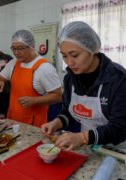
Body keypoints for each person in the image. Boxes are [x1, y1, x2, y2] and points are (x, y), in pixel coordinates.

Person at [41, 21, 126, 150]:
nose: (69, 62)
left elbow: (121, 127)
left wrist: (83, 137)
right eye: (64, 56)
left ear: (91, 49)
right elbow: (69, 112)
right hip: (88, 148)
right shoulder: (70, 78)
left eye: (75, 55)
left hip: (117, 150)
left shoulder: (117, 78)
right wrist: (57, 122)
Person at [0, 30, 62, 127]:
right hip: (12, 120)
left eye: (20, 48)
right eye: (13, 48)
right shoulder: (13, 64)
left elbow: (58, 96)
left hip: (33, 125)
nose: (16, 52)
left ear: (31, 47)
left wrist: (34, 101)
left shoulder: (44, 68)